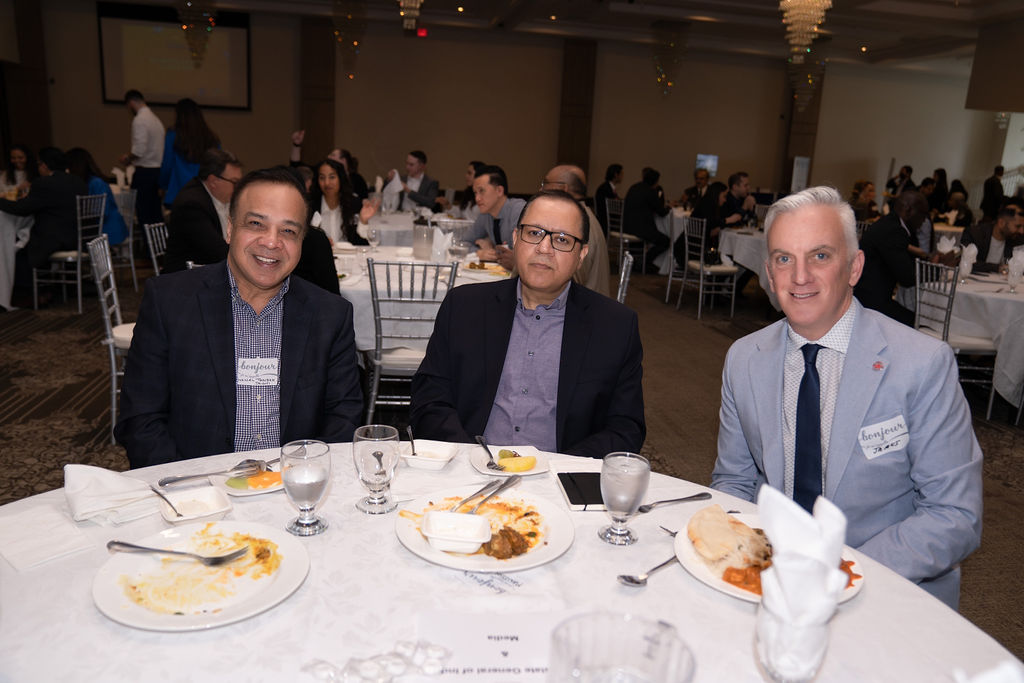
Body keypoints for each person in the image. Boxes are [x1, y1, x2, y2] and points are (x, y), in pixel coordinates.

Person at [711, 185, 982, 609]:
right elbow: (734, 482)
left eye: (820, 256)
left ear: (854, 267)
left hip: (888, 590)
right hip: (771, 580)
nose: (800, 276)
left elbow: (954, 514)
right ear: (769, 273)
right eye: (784, 259)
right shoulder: (744, 359)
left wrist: (842, 571)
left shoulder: (921, 364)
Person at [115, 166, 364, 468]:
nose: (271, 242)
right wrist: (190, 485)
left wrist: (302, 477)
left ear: (302, 241)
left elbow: (343, 416)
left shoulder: (330, 315)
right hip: (195, 485)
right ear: (230, 229)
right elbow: (140, 420)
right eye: (256, 224)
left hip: (292, 484)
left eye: (288, 231)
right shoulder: (170, 302)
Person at [409, 190, 645, 458]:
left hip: (562, 475)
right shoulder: (464, 307)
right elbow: (429, 398)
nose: (544, 248)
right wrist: (467, 457)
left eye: (562, 239)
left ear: (581, 254)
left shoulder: (615, 326)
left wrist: (564, 467)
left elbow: (626, 428)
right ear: (515, 238)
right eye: (534, 233)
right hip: (467, 467)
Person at [1, 147, 87, 298]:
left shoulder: (44, 183)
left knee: (18, 246)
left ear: (45, 165)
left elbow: (22, 209)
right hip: (80, 237)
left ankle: (28, 294)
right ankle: (46, 288)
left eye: (39, 164)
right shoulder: (78, 181)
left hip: (56, 239)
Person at [854, 190, 930, 326]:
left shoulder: (889, 223)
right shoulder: (894, 231)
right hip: (870, 305)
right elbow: (907, 277)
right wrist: (936, 270)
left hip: (864, 297)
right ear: (908, 210)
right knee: (922, 326)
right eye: (923, 214)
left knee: (918, 321)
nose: (925, 220)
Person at [163, 149, 242, 273]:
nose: (238, 188)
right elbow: (217, 251)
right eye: (234, 182)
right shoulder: (191, 205)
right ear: (213, 181)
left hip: (210, 268)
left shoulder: (222, 198)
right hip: (187, 276)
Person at [540, 164, 610, 296]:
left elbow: (566, 284)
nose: (541, 189)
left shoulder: (573, 224)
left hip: (585, 305)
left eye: (546, 183)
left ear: (563, 188)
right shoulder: (584, 216)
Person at [159, 98, 220, 208]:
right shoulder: (211, 138)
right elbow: (218, 168)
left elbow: (167, 166)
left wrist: (162, 186)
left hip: (178, 194)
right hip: (204, 195)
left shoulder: (173, 135)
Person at [465, 165, 526, 268]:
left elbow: (521, 253)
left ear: (499, 191)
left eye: (481, 191)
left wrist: (493, 249)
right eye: (475, 193)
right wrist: (479, 252)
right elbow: (463, 242)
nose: (477, 198)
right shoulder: (485, 214)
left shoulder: (518, 210)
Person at [120, 90, 165, 225]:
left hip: (144, 174)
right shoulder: (155, 119)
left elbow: (139, 150)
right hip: (157, 171)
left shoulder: (140, 120)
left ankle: (147, 240)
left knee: (144, 215)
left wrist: (127, 158)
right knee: (155, 215)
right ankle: (158, 239)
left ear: (131, 103)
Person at [66, 147, 128, 245]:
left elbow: (103, 212)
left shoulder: (96, 183)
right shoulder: (89, 182)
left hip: (108, 231)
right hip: (101, 230)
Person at [622, 167, 671, 272]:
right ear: (655, 181)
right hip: (641, 229)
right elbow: (662, 212)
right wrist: (669, 208)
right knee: (666, 241)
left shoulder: (634, 187)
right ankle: (644, 261)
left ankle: (637, 262)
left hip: (626, 226)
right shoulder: (650, 191)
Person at [960, 197, 1024, 272]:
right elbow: (965, 262)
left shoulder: (1017, 240)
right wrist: (998, 268)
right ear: (1001, 223)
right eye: (1018, 226)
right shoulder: (974, 234)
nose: (1021, 231)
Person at [675, 181, 727, 270]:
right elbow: (709, 230)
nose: (725, 200)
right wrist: (727, 221)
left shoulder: (705, 202)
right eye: (724, 196)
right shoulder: (708, 206)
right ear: (717, 194)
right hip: (691, 252)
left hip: (685, 248)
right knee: (725, 258)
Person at [594, 163, 623, 236]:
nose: (622, 176)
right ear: (616, 175)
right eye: (621, 174)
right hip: (605, 222)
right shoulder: (605, 189)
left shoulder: (609, 188)